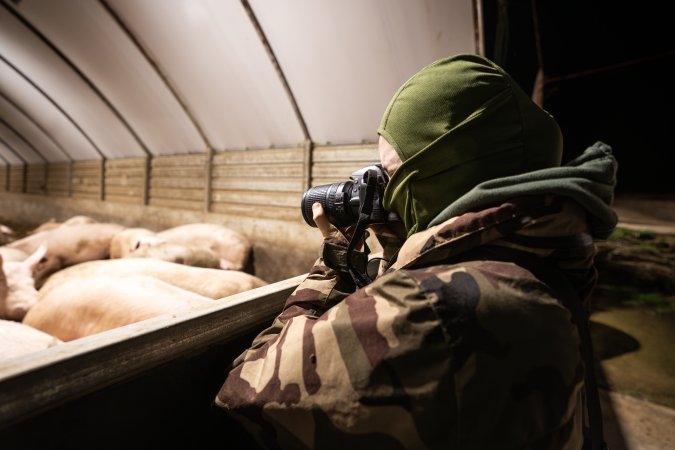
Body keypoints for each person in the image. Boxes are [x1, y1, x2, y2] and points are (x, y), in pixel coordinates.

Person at [214, 54, 618, 449]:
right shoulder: (542, 262)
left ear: (443, 174)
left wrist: (334, 261)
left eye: (392, 175)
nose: (387, 194)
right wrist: (402, 250)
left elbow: (243, 391)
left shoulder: (428, 308)